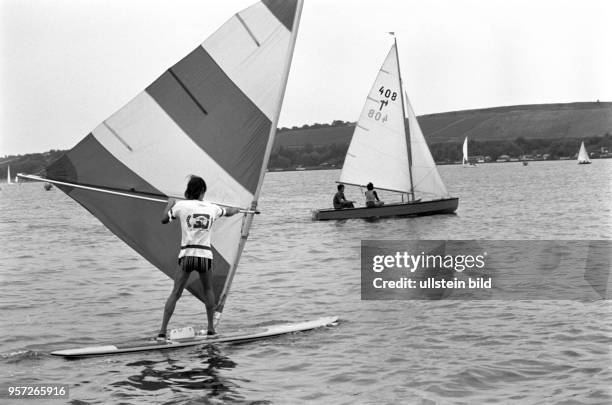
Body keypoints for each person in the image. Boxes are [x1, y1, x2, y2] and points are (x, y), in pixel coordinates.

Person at [158, 175, 239, 340]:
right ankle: (211, 329)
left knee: (175, 293)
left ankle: (162, 332)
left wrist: (169, 204)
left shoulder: (181, 206)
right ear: (202, 191)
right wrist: (236, 209)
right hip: (204, 256)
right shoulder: (213, 208)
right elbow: (229, 212)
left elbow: (164, 220)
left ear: (189, 191)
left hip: (187, 256)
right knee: (208, 290)